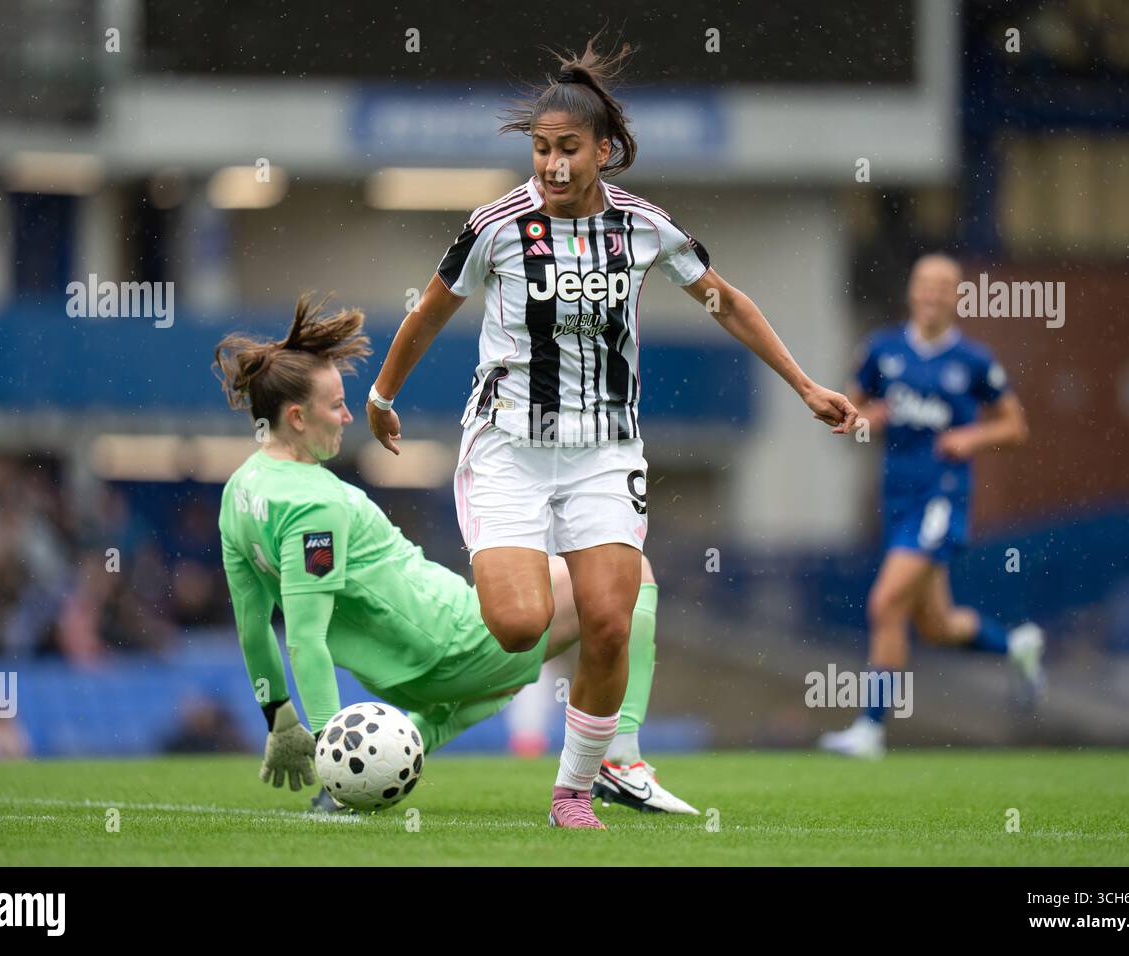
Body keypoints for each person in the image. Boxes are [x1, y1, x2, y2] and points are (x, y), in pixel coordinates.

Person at [364, 34, 857, 827]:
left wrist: (804, 384)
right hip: (508, 450)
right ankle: (555, 578)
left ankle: (575, 789)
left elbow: (724, 300)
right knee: (521, 623)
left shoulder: (643, 227)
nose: (552, 166)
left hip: (603, 452)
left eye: (568, 150)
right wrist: (385, 392)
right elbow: (430, 309)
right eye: (540, 150)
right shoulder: (495, 226)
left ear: (605, 151)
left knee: (607, 621)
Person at [214, 294, 697, 815]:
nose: (349, 416)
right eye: (335, 406)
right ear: (296, 417)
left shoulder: (236, 497)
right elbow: (305, 640)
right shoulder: (317, 503)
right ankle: (618, 758)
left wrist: (278, 713)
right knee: (634, 571)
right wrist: (334, 749)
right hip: (457, 640)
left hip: (405, 678)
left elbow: (254, 624)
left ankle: (369, 775)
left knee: (499, 686)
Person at [818, 254, 1045, 759]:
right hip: (897, 498)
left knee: (884, 603)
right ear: (912, 292)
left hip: (942, 500)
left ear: (957, 297)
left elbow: (1015, 426)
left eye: (943, 288)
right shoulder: (883, 350)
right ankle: (1016, 646)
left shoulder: (974, 361)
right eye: (925, 286)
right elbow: (861, 410)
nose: (932, 295)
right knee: (936, 625)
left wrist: (972, 436)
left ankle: (870, 728)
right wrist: (861, 422)